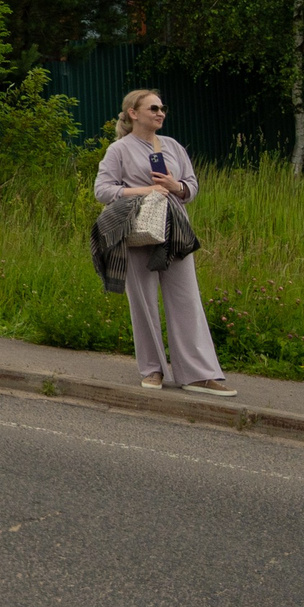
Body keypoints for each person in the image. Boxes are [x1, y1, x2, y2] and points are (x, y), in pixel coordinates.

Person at [94, 88, 236, 397]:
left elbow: (192, 187)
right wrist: (144, 191)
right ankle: (153, 369)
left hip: (176, 231)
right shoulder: (119, 150)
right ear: (133, 113)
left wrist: (177, 186)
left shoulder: (172, 146)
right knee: (143, 302)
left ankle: (198, 375)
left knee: (186, 300)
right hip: (138, 230)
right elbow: (102, 190)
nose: (161, 113)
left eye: (162, 108)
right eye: (154, 108)